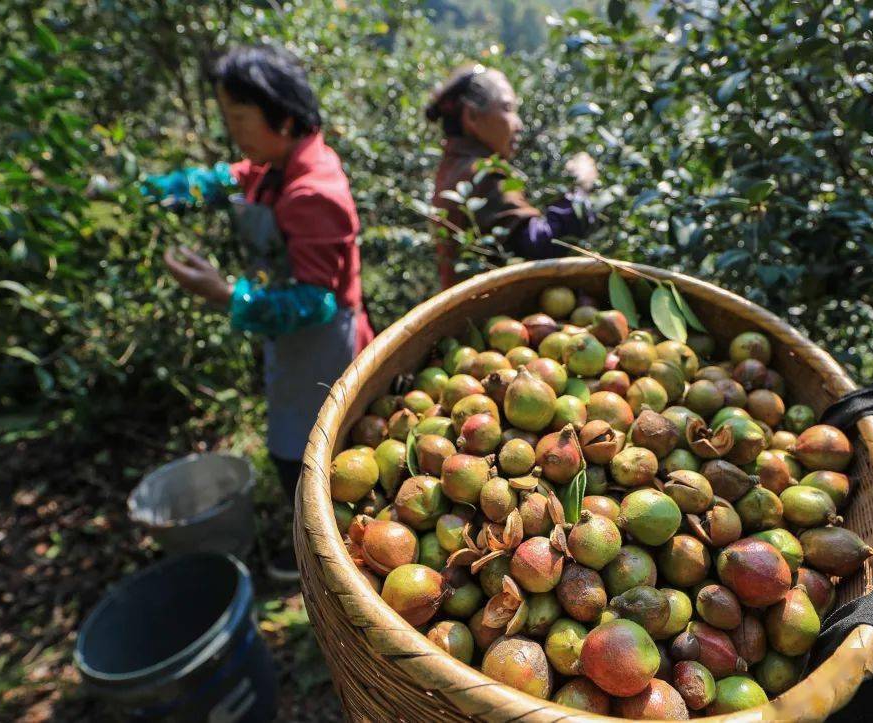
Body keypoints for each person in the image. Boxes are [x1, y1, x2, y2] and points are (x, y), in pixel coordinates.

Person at [155, 44, 374, 582]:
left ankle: (332, 557)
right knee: (297, 445)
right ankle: (317, 542)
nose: (234, 131)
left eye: (240, 118)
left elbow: (315, 300)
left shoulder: (314, 191)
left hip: (324, 342)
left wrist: (226, 294)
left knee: (315, 455)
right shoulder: (275, 164)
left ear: (282, 115)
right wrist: (183, 186)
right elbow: (238, 172)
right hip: (292, 341)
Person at [425, 64, 598, 289]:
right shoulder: (483, 174)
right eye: (507, 108)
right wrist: (579, 190)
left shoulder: (452, 168)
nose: (518, 124)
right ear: (472, 116)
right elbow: (541, 248)